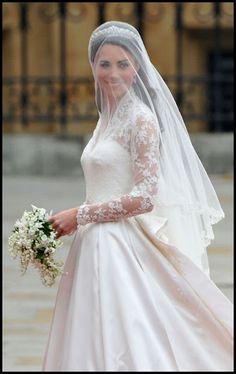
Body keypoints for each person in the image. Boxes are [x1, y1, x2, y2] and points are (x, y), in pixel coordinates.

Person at [43, 21, 233, 371]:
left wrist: (79, 215)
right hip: (92, 244)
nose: (112, 73)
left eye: (122, 64)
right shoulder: (107, 118)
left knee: (130, 332)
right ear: (93, 66)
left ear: (137, 68)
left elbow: (145, 197)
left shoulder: (141, 119)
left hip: (122, 244)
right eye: (104, 64)